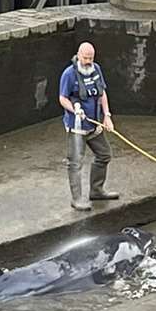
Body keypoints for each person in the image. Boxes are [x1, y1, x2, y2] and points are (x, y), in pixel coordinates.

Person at [58, 42, 117, 211]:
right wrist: (74, 111)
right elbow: (62, 98)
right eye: (85, 58)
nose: (88, 61)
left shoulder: (96, 69)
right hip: (77, 128)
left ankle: (97, 190)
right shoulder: (69, 74)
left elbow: (102, 93)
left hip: (95, 123)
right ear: (78, 55)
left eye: (91, 58)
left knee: (104, 154)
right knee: (75, 162)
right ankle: (77, 199)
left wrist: (107, 116)